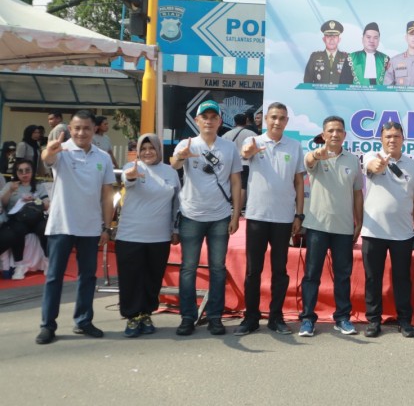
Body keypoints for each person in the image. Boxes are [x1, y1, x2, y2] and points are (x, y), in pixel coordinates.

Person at [36, 110, 115, 345]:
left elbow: (107, 194)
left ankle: (83, 320)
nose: (81, 132)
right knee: (54, 277)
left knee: (88, 277)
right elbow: (46, 158)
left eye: (86, 128)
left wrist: (106, 226)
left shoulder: (103, 157)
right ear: (70, 129)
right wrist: (49, 150)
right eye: (77, 128)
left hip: (90, 227)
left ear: (94, 130)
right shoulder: (62, 151)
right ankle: (47, 325)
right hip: (61, 224)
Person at [170, 100, 243, 337]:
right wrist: (180, 156)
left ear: (220, 121)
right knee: (188, 268)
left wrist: (235, 214)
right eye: (205, 117)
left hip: (220, 216)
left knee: (218, 269)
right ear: (198, 120)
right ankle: (187, 317)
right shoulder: (187, 143)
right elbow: (174, 165)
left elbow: (235, 181)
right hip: (191, 214)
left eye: (214, 117)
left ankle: (215, 317)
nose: (209, 121)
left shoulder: (229, 147)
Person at [234, 103, 306, 337]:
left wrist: (299, 214)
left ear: (287, 121)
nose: (277, 122)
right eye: (273, 117)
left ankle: (276, 317)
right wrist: (249, 152)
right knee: (253, 271)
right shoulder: (254, 142)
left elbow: (298, 182)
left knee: (280, 270)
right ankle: (251, 318)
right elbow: (245, 154)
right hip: (256, 216)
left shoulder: (294, 147)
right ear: (265, 119)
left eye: (282, 118)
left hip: (284, 218)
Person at [300, 116, 364, 337]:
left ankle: (343, 318)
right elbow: (309, 160)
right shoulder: (316, 156)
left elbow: (357, 194)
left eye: (339, 131)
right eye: (331, 131)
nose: (335, 134)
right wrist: (316, 155)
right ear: (323, 134)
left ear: (344, 135)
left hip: (344, 228)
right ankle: (307, 319)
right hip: (317, 226)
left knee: (343, 275)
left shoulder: (353, 161)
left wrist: (360, 221)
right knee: (311, 275)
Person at [360, 122, 414, 338]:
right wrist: (380, 164)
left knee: (402, 279)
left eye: (396, 136)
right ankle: (373, 320)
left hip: (403, 233)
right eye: (388, 136)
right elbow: (373, 167)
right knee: (372, 278)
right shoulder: (372, 157)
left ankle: (405, 320)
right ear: (381, 139)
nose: (392, 140)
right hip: (373, 231)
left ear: (403, 139)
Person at [116, 133, 180, 337]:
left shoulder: (170, 172)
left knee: (153, 278)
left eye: (151, 148)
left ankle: (146, 314)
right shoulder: (131, 168)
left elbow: (176, 204)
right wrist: (132, 175)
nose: (147, 152)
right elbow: (128, 180)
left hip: (159, 236)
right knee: (130, 279)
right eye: (143, 149)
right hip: (130, 235)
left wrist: (175, 229)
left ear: (158, 150)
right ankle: (132, 317)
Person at [0, 158, 51, 280]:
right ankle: (19, 265)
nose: (24, 174)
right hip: (17, 218)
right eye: (20, 171)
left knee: (44, 228)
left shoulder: (39, 186)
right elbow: (4, 204)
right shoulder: (10, 185)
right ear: (16, 173)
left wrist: (34, 200)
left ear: (32, 172)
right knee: (18, 230)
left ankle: (48, 261)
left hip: (35, 217)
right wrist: (11, 191)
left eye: (27, 171)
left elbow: (46, 204)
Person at [222, 112, 257, 211]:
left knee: (232, 185)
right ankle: (239, 208)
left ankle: (232, 206)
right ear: (246, 121)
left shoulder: (227, 134)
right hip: (246, 164)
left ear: (235, 122)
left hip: (231, 165)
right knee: (243, 186)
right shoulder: (251, 134)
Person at [304, 20, 348, 84]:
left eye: (335, 36)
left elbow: (350, 82)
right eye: (328, 36)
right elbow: (307, 81)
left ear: (339, 39)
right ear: (324, 39)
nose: (331, 40)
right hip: (320, 94)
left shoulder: (347, 58)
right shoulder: (314, 57)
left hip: (340, 94)